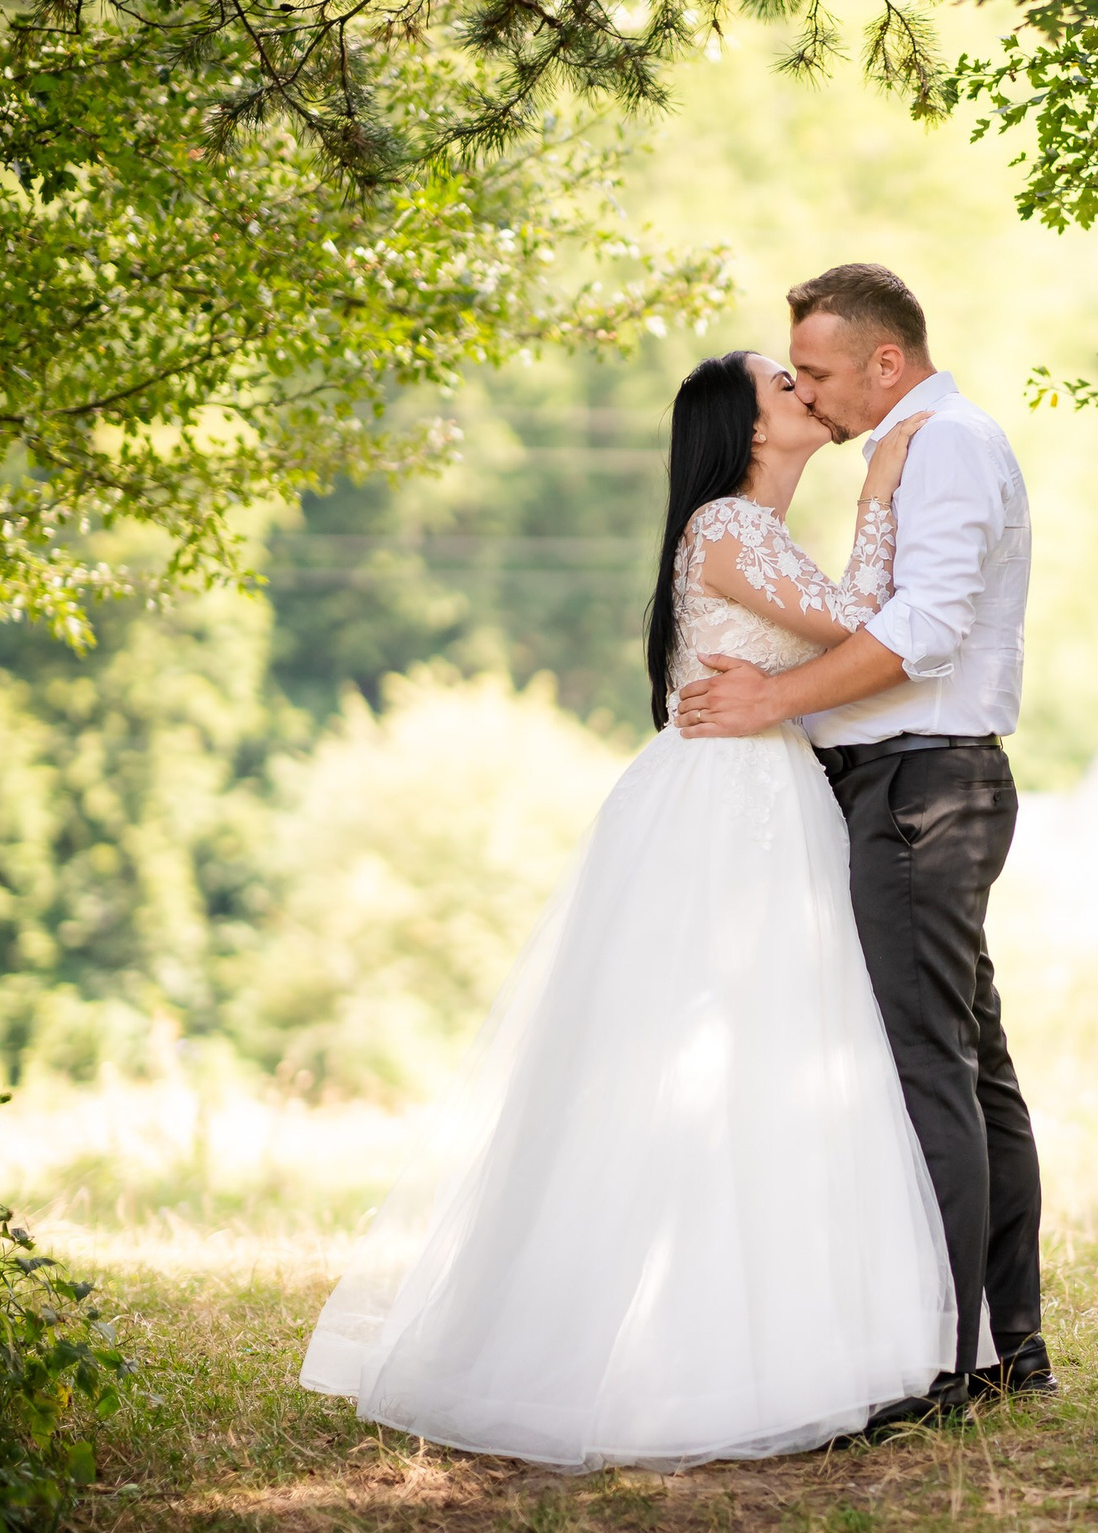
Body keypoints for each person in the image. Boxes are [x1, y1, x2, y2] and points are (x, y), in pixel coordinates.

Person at [297, 350, 958, 1470]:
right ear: (749, 430)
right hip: (723, 810)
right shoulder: (729, 531)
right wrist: (887, 486)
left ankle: (771, 1337)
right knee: (700, 1055)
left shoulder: (753, 536)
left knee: (770, 1056)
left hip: (759, 794)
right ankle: (669, 1357)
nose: (808, 393)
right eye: (785, 386)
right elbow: (866, 622)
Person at [676, 264, 1049, 1425]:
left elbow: (917, 634)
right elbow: (875, 615)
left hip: (920, 790)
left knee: (928, 1070)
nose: (816, 395)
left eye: (824, 373)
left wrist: (774, 705)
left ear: (886, 362)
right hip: (903, 782)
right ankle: (1001, 1346)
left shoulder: (941, 444)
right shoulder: (915, 447)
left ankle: (944, 1363)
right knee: (968, 1066)